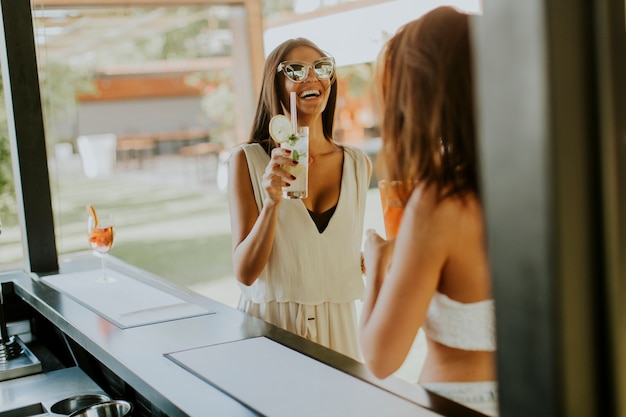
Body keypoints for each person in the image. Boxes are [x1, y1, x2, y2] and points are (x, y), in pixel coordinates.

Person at [359, 7, 498, 417]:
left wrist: (378, 265)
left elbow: (380, 358)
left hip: (457, 402)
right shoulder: (539, 182)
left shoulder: (439, 203)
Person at [228, 38, 372, 361]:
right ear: (275, 85)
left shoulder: (359, 164)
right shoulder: (247, 161)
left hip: (340, 334)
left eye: (321, 68)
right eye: (295, 70)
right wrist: (271, 203)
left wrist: (364, 259)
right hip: (269, 330)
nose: (311, 77)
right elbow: (246, 272)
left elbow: (327, 253)